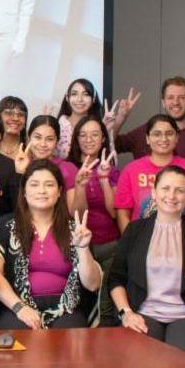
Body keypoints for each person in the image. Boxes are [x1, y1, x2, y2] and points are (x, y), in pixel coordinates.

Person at [107, 167, 185, 356]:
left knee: (177, 360)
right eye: (165, 188)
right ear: (154, 192)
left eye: (180, 190)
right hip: (143, 313)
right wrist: (126, 313)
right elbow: (116, 278)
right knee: (143, 357)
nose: (172, 195)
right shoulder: (135, 230)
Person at [0, 160, 101, 329]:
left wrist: (83, 248)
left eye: (49, 185)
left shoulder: (76, 229)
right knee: (15, 339)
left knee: (71, 343)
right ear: (25, 192)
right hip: (17, 304)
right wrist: (19, 308)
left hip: (67, 308)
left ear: (59, 192)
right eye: (34, 184)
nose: (41, 191)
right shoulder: (6, 226)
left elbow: (93, 284)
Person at [66, 116, 120, 325]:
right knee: (83, 305)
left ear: (104, 139)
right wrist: (80, 184)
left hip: (110, 246)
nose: (89, 139)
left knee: (106, 305)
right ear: (76, 139)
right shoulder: (70, 169)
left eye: (95, 134)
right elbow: (75, 213)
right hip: (80, 247)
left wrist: (104, 178)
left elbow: (115, 212)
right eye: (83, 134)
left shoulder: (113, 170)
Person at [113, 115, 185, 231]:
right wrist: (132, 242)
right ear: (147, 138)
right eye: (157, 134)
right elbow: (122, 212)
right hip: (142, 241)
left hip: (183, 240)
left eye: (169, 133)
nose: (164, 139)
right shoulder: (131, 170)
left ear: (176, 138)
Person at [114, 77, 185, 161]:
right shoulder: (145, 131)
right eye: (170, 97)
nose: (176, 102)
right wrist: (121, 117)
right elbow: (108, 145)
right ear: (163, 102)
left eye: (182, 97)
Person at [14, 115, 78, 204]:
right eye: (37, 137)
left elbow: (75, 212)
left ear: (57, 141)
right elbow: (15, 207)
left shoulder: (68, 169)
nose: (43, 144)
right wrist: (20, 172)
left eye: (49, 139)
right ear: (29, 137)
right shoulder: (19, 165)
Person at [56, 79, 119, 159]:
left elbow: (110, 161)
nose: (79, 99)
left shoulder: (99, 126)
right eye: (74, 94)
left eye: (86, 94)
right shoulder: (57, 126)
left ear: (93, 99)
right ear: (67, 98)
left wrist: (105, 130)